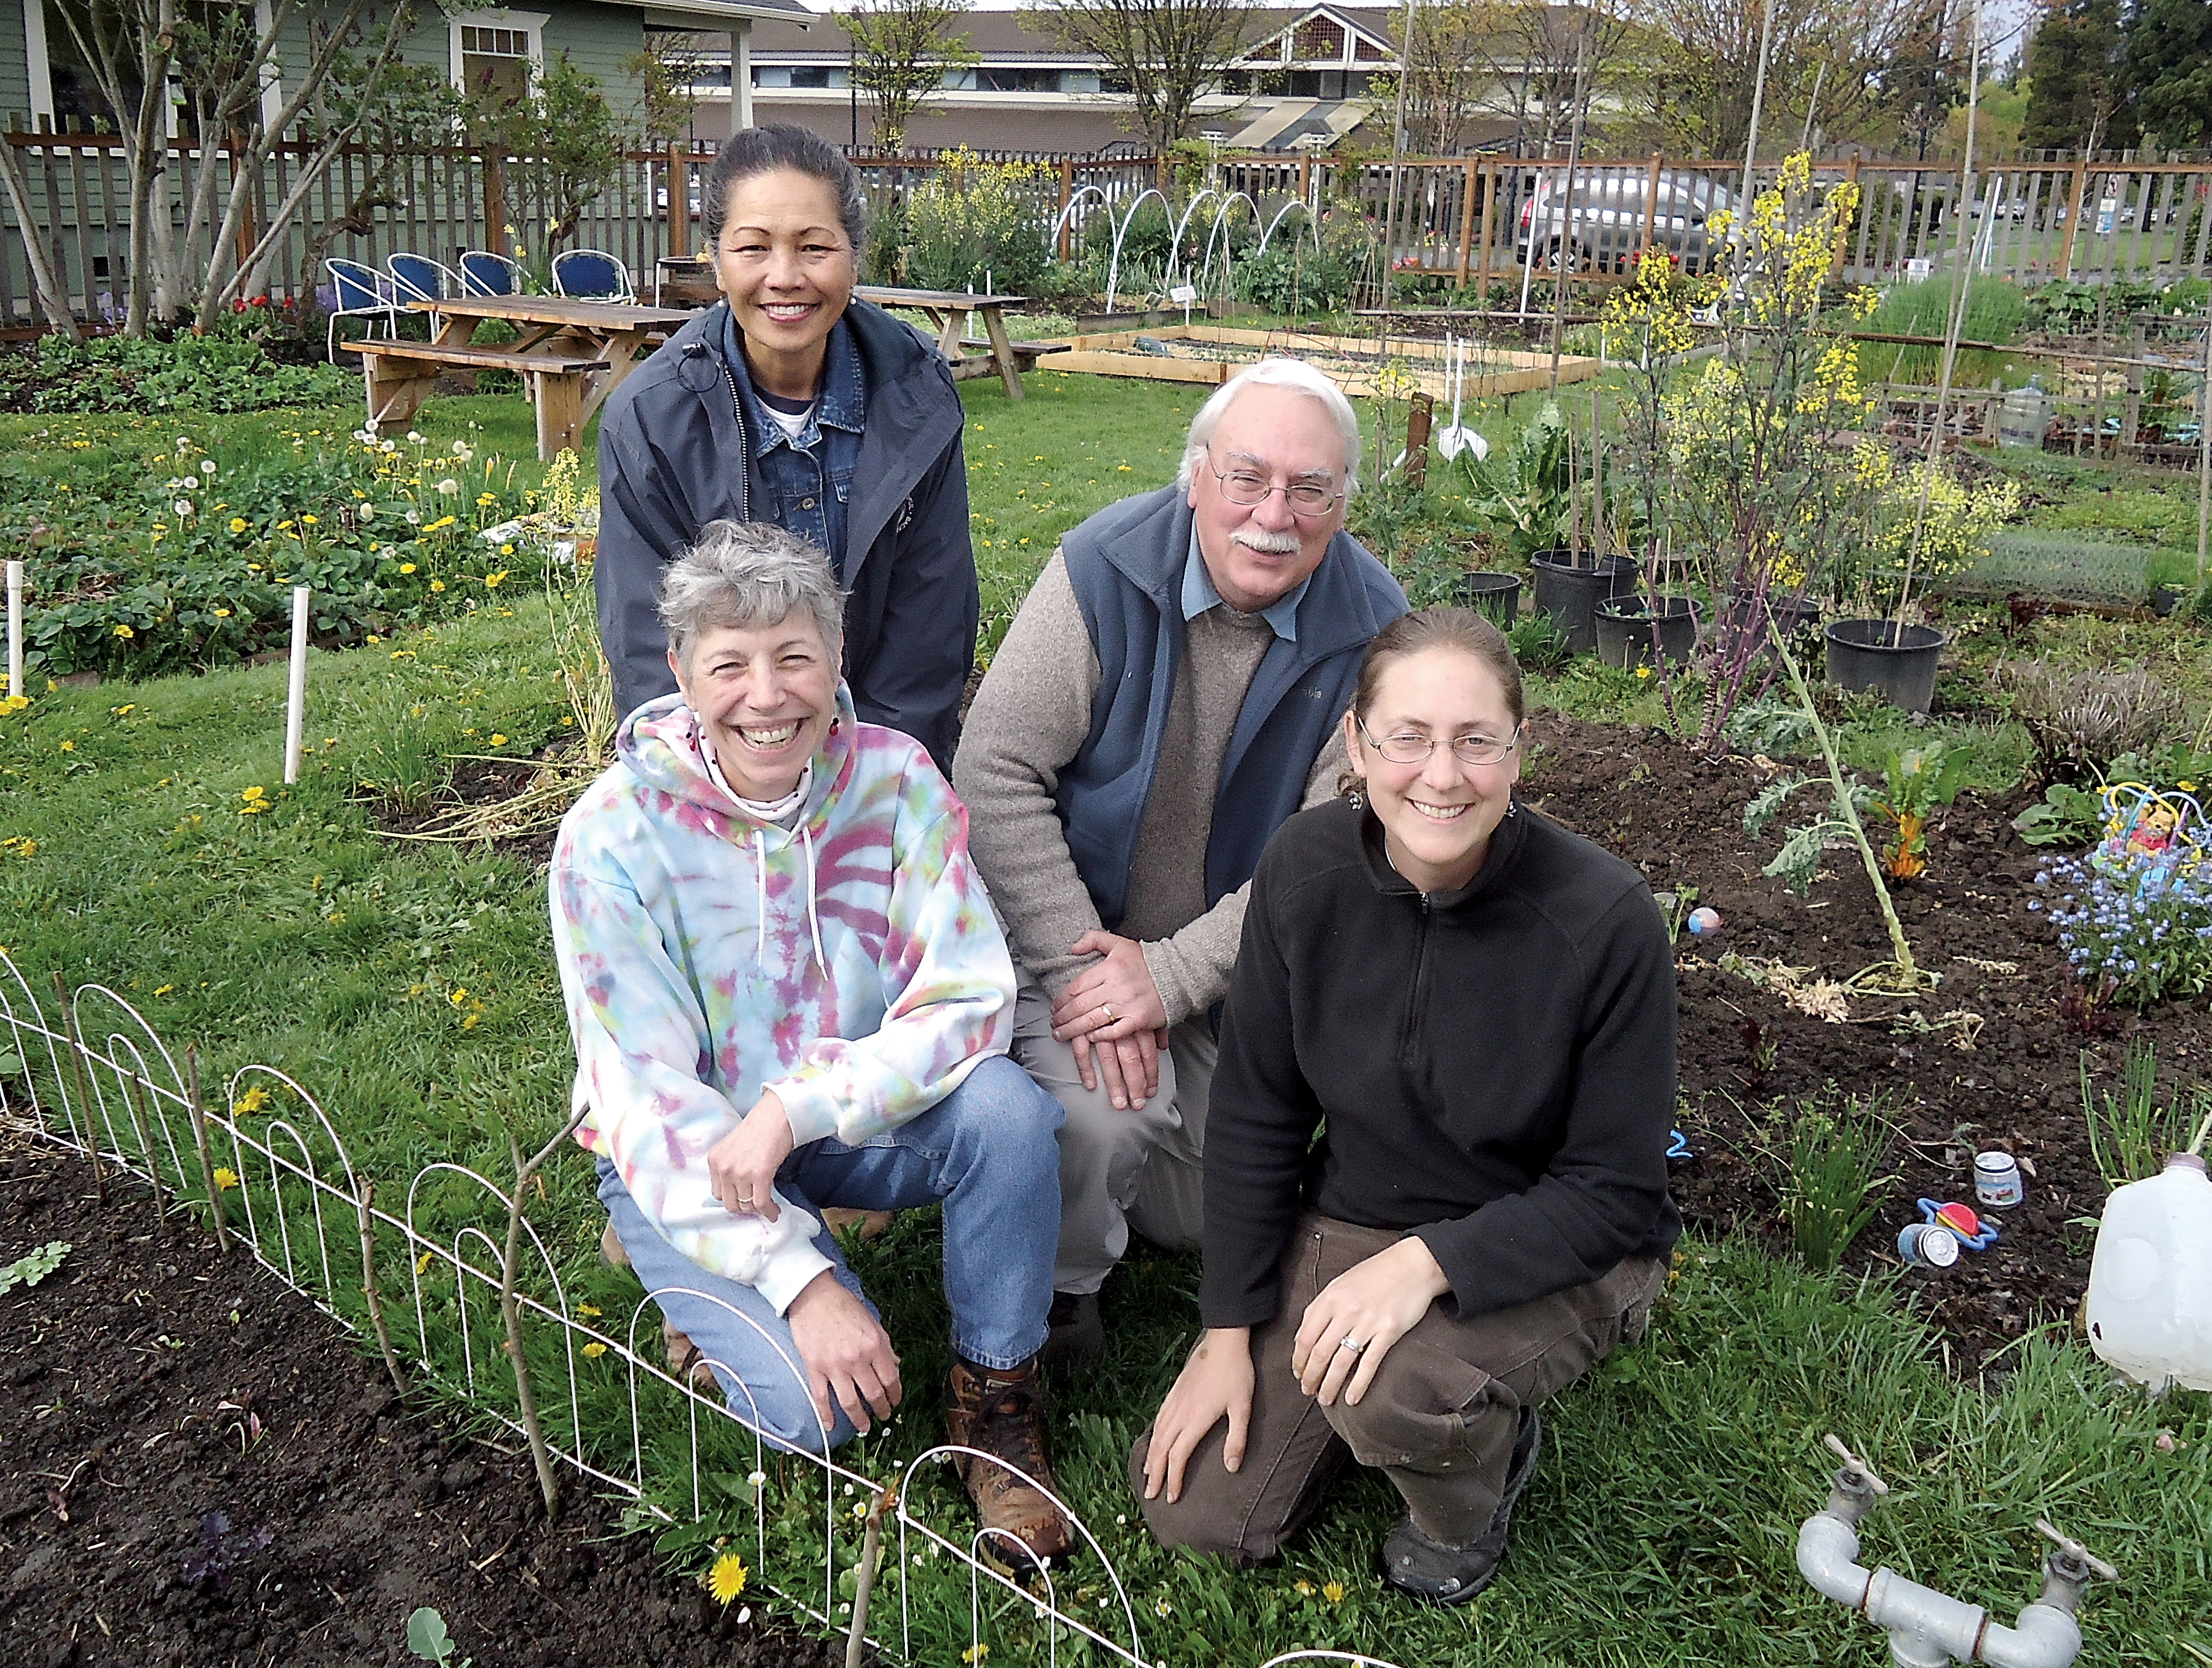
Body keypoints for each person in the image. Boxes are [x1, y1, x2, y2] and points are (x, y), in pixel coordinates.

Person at [1131, 606, 1681, 1603]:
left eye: (1476, 741)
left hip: (1558, 1244)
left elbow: (1615, 1191)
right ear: (1356, 743)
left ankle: (1463, 1493)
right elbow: (1255, 1110)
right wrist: (1227, 1335)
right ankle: (1377, 1398)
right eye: (1409, 738)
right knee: (1194, 1517)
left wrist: (1428, 1267)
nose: (1441, 775)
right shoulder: (1302, 872)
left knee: (1398, 1394)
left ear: (1519, 749)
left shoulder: (1603, 921)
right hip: (1359, 1214)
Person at [551, 519, 1071, 1559]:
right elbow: (646, 1092)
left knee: (1012, 1116)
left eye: (794, 657)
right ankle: (691, 1251)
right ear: (683, 674)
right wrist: (802, 1280)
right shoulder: (609, 837)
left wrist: (798, 1109)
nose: (767, 694)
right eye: (730, 664)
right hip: (692, 1153)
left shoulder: (897, 783)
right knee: (818, 1414)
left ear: (834, 660)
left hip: (837, 1121)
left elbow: (970, 998)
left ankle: (994, 1396)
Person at [953, 358, 1409, 1371]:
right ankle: (1055, 1301)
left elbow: (1335, 851)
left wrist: (1167, 980)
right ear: (1193, 476)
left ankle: (1076, 1186)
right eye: (1246, 478)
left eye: (1309, 490)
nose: (1272, 515)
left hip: (1231, 971)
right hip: (1066, 933)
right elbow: (992, 769)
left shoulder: (1376, 632)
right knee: (1103, 1122)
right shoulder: (1100, 569)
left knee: (1212, 1204)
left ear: (1342, 503)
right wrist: (1087, 974)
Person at [597, 124, 975, 771]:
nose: (784, 277)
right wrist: (727, 795)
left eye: (813, 247)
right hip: (727, 757)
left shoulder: (917, 393)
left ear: (853, 258)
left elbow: (930, 629)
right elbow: (648, 646)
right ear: (716, 262)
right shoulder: (653, 419)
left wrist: (871, 792)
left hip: (880, 758)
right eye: (753, 248)